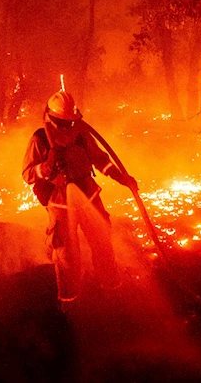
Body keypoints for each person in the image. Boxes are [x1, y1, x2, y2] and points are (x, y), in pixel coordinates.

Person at [22, 91, 138, 309]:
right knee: (65, 252)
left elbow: (101, 160)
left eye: (70, 123)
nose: (67, 128)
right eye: (62, 123)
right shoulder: (40, 139)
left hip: (89, 197)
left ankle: (112, 288)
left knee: (102, 242)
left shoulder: (82, 134)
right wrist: (45, 167)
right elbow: (27, 174)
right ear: (53, 119)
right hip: (60, 204)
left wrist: (121, 177)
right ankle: (69, 300)